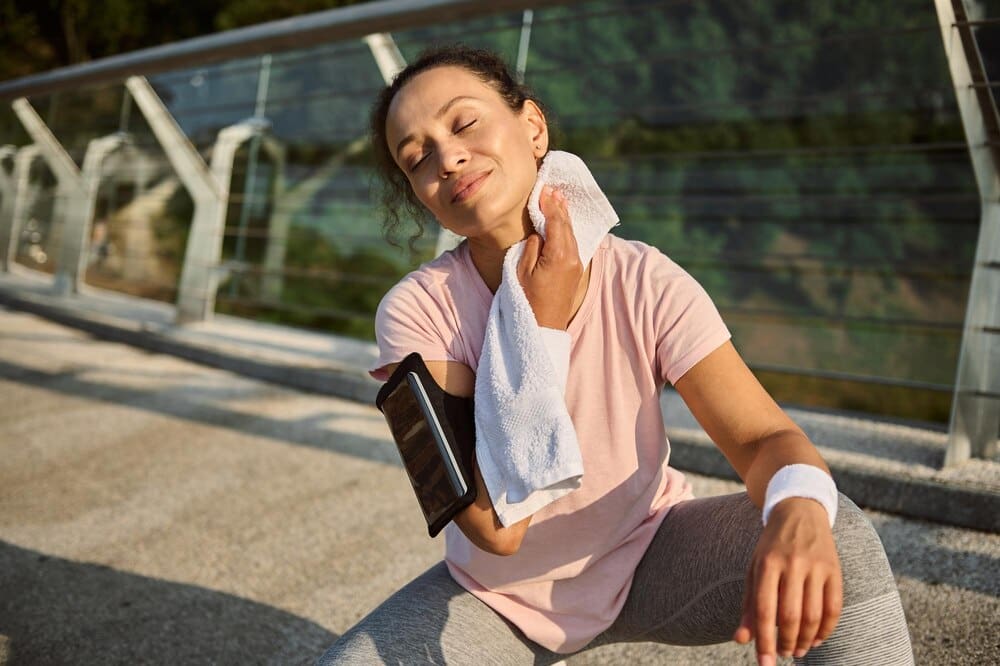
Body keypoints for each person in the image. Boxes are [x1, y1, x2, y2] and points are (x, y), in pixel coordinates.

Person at [317, 45, 913, 666]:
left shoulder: (643, 279)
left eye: (464, 123)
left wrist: (796, 511)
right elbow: (499, 529)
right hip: (498, 599)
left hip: (650, 553)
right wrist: (539, 324)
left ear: (533, 127)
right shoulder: (416, 312)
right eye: (417, 158)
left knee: (828, 524)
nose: (448, 156)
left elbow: (764, 438)